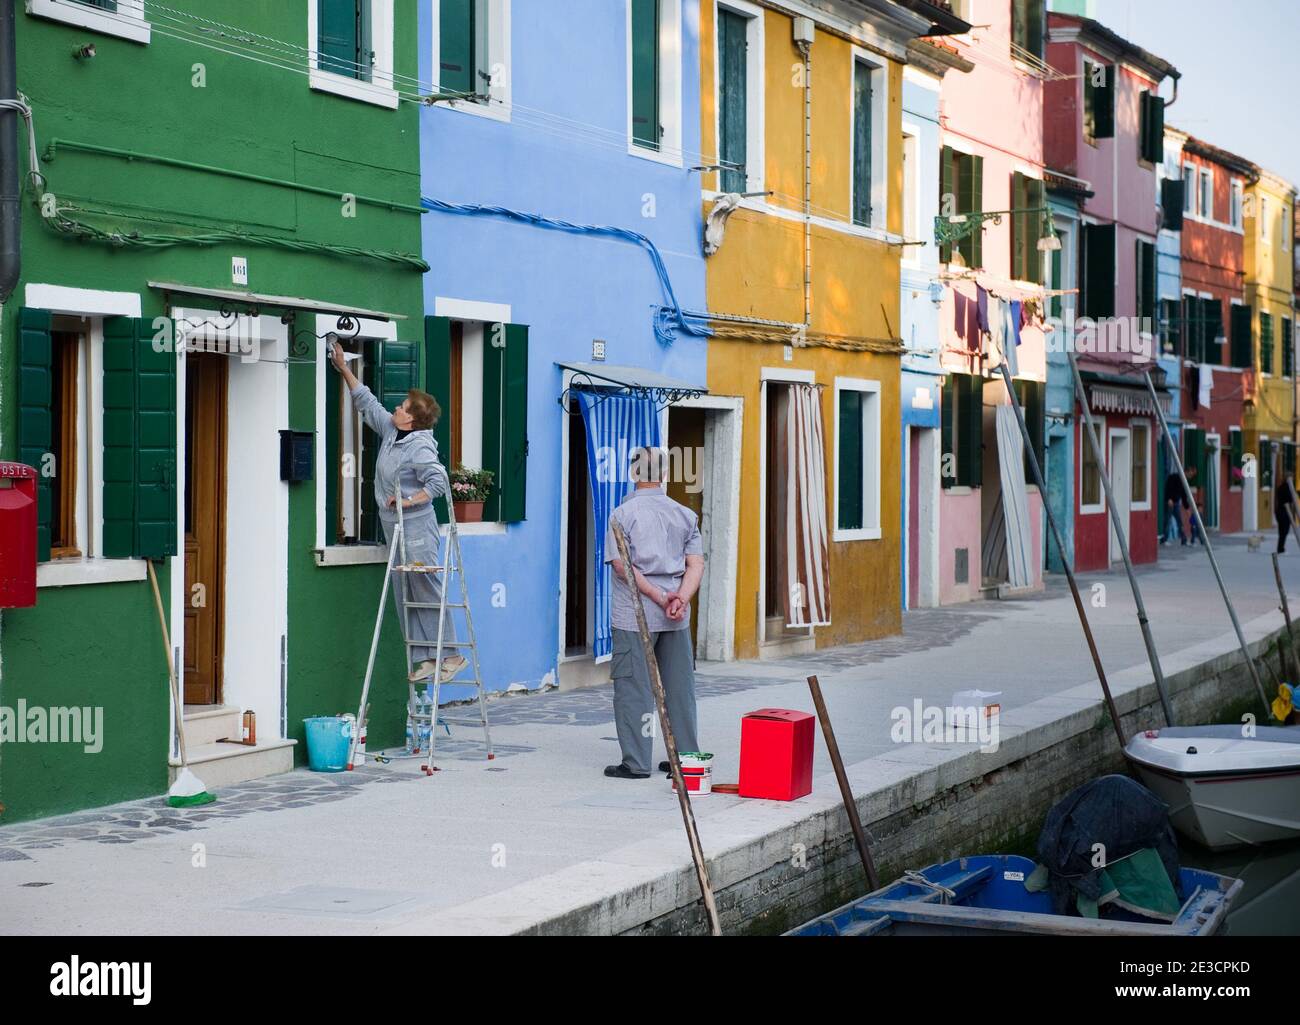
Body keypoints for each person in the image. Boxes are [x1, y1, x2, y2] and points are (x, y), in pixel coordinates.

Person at [330, 343, 466, 685]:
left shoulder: (419, 445)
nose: (397, 407)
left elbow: (438, 482)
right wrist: (344, 368)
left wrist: (409, 502)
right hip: (396, 529)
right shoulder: (393, 432)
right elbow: (368, 404)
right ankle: (424, 658)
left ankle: (451, 654)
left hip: (417, 529)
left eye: (403, 407)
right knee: (405, 590)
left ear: (413, 420)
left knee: (425, 587)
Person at [603, 447, 705, 780]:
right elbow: (696, 564)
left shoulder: (622, 514)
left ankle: (636, 762)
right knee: (679, 689)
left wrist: (660, 597)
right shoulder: (685, 514)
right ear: (663, 475)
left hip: (636, 616)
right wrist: (680, 598)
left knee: (635, 687)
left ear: (634, 474)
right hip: (676, 617)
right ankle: (685, 757)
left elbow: (622, 567)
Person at [1161, 470, 1188, 546]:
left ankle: (1184, 539)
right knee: (1167, 520)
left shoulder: (1183, 481)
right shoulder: (1174, 477)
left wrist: (1186, 506)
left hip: (1176, 503)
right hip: (1170, 502)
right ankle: (1164, 539)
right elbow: (1168, 487)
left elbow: (1183, 494)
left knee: (1179, 521)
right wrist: (1169, 498)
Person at [1277, 472, 1298, 554]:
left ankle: (1280, 548)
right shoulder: (1287, 488)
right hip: (1284, 512)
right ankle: (1280, 548)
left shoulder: (1281, 487)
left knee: (1282, 532)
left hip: (1281, 511)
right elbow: (1290, 498)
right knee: (1284, 531)